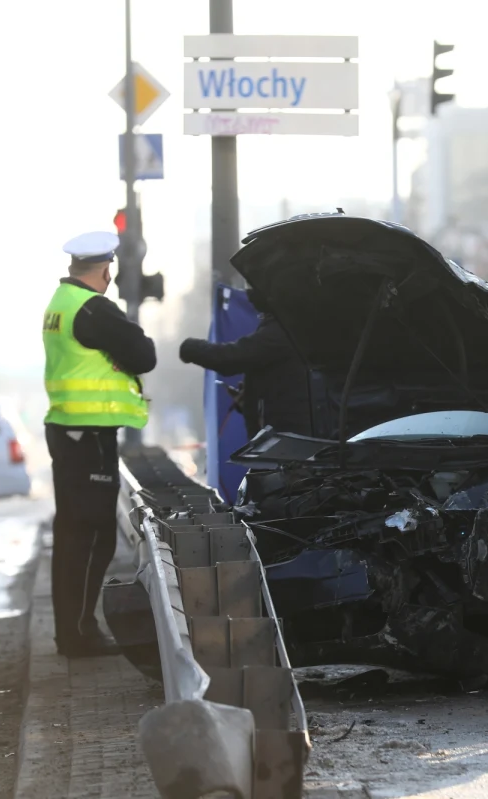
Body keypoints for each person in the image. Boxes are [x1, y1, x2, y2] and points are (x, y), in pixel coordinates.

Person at [43, 231, 156, 657]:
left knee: (74, 535)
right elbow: (144, 354)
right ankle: (79, 634)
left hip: (70, 431)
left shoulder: (60, 304)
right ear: (106, 269)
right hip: (88, 435)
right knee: (91, 539)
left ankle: (73, 632)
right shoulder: (94, 308)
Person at [179, 288, 313, 438]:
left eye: (253, 287)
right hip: (284, 435)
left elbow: (230, 358)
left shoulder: (280, 329)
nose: (249, 294)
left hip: (288, 437)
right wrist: (251, 398)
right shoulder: (283, 324)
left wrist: (191, 348)